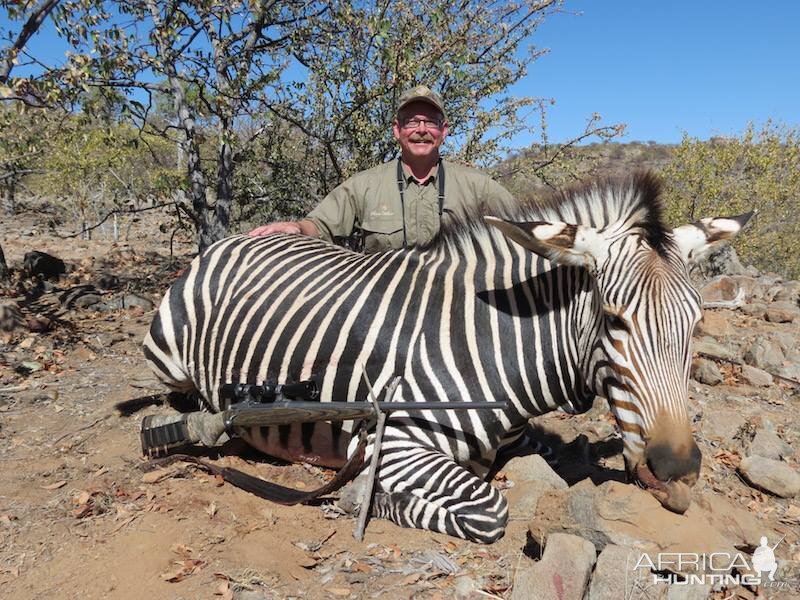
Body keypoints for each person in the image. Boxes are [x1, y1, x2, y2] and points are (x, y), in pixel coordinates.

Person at [248, 85, 516, 253]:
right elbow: (318, 225)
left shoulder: (478, 186)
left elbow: (521, 229)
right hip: (386, 318)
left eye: (430, 122)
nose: (421, 130)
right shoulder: (365, 185)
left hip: (456, 311)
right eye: (411, 122)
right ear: (397, 131)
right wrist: (294, 227)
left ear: (443, 131)